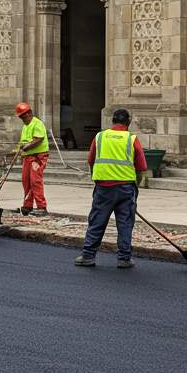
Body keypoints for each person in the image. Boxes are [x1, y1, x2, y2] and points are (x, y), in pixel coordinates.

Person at [75, 109, 147, 269]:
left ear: (112, 121)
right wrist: (136, 187)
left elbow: (91, 160)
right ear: (128, 122)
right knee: (125, 223)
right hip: (126, 189)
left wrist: (99, 175)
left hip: (104, 188)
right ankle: (124, 258)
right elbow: (141, 167)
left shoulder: (100, 137)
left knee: (97, 221)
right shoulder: (132, 138)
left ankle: (88, 255)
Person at [14, 102, 49, 216]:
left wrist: (26, 147)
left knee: (35, 181)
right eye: (21, 117)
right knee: (26, 181)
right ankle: (27, 205)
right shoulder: (26, 126)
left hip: (38, 157)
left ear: (29, 113)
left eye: (24, 116)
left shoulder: (37, 123)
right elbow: (24, 142)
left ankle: (41, 207)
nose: (23, 119)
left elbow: (38, 139)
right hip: (28, 157)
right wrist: (18, 150)